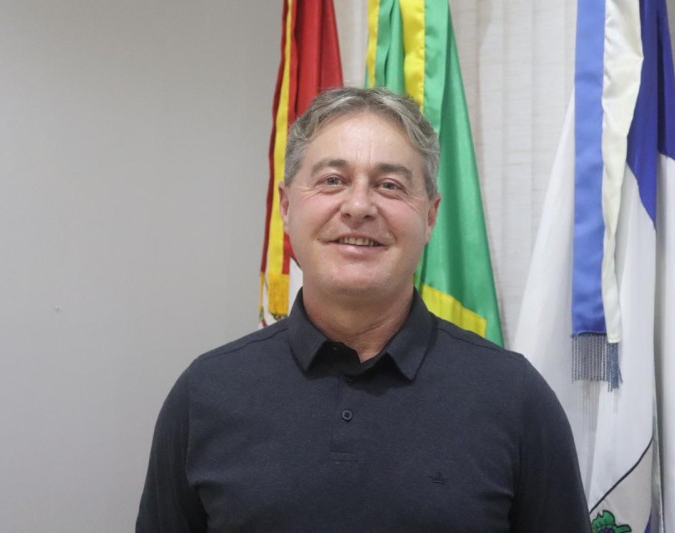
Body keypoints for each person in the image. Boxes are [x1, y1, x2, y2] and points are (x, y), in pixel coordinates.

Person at [137, 87, 590, 532]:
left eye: (389, 185)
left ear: (430, 216)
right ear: (287, 207)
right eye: (332, 180)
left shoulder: (515, 398)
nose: (358, 207)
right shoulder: (204, 394)